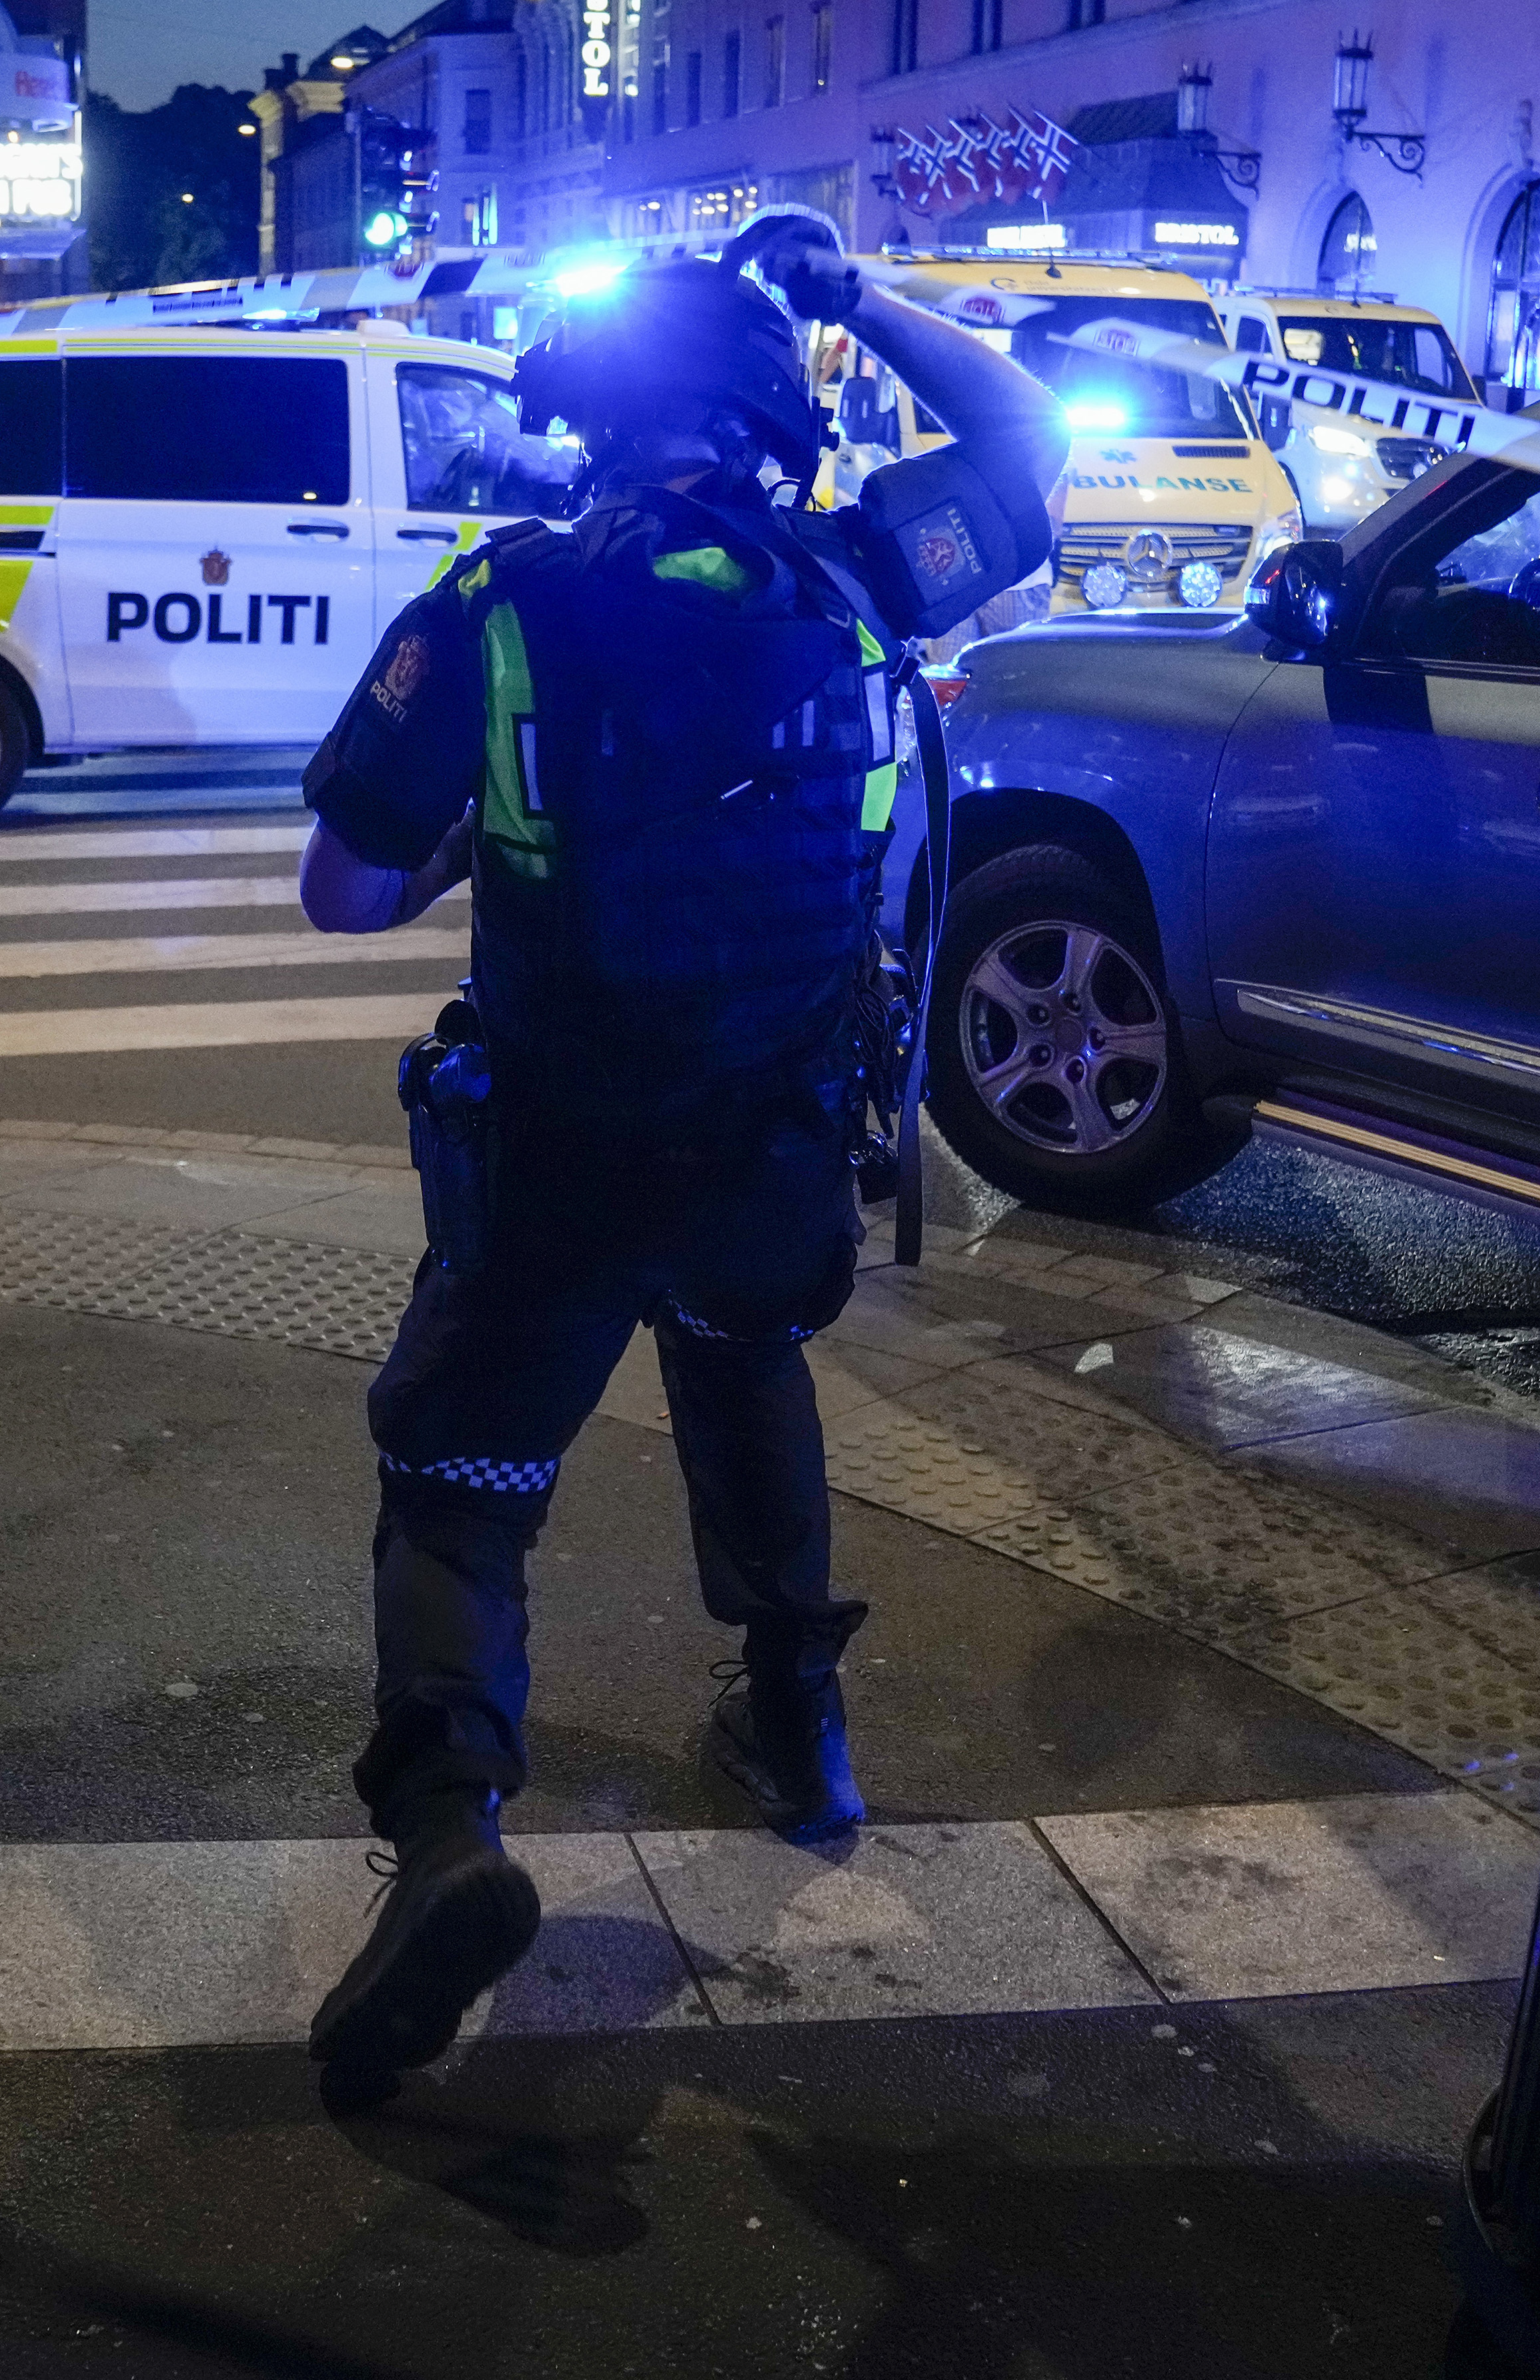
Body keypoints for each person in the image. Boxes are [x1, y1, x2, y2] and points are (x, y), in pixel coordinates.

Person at [293, 211, 1066, 2077]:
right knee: (744, 1369)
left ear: (587, 422)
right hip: (774, 1145)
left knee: (463, 1478)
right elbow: (1032, 440)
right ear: (769, 412)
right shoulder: (870, 569)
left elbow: (343, 891)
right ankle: (799, 1723)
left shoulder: (495, 605)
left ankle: (455, 1829)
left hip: (555, 1149)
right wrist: (856, 294)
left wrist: (494, 829)